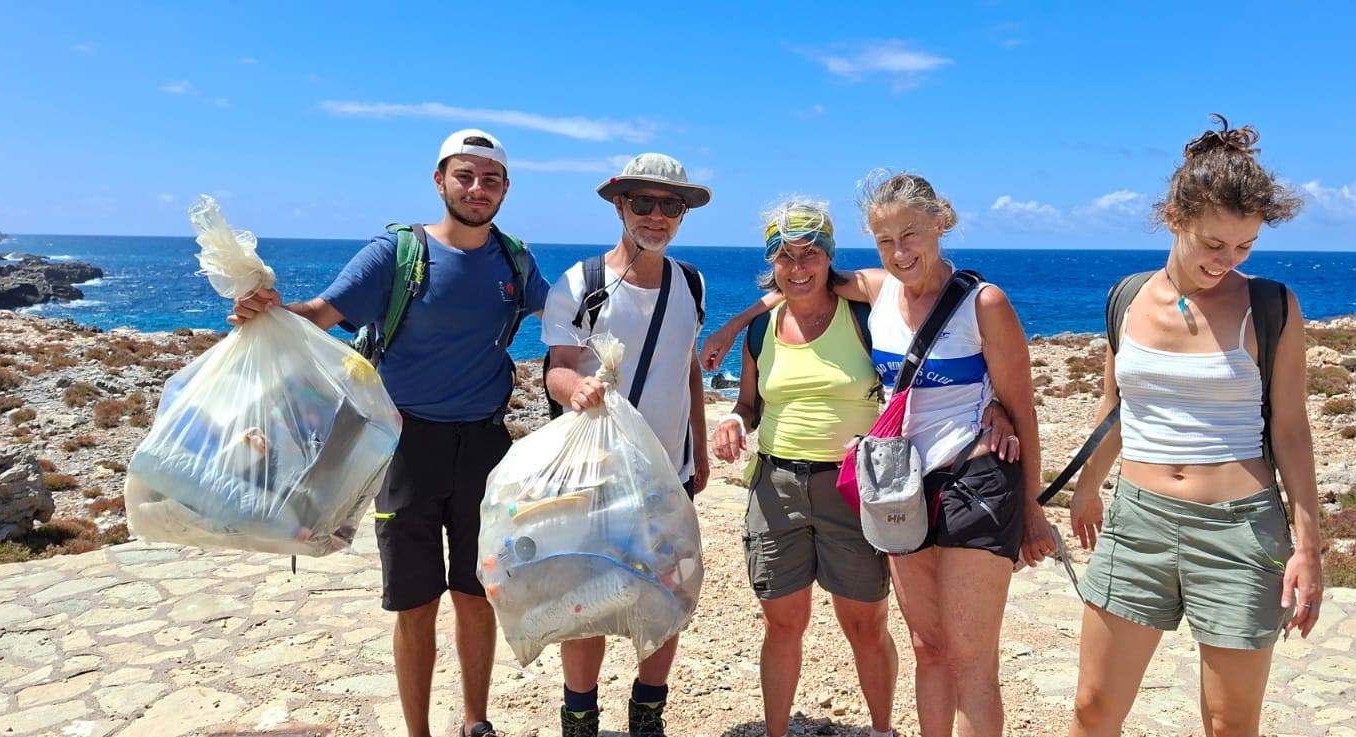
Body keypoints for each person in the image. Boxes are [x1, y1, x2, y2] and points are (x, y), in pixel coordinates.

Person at [704, 172, 1056, 737]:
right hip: (903, 486)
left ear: (941, 224)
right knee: (928, 645)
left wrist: (1033, 511)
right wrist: (734, 324)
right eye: (886, 240)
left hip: (975, 482)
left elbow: (1025, 410)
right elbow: (797, 281)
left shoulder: (982, 302)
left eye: (911, 235)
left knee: (971, 661)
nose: (900, 252)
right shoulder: (877, 290)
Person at [231, 129, 546, 737]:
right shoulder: (395, 253)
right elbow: (321, 316)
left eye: (491, 179)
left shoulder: (515, 261)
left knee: (480, 593)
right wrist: (267, 312)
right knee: (414, 601)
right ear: (440, 180)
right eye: (466, 175)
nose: (478, 188)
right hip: (405, 448)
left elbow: (565, 314)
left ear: (506, 189)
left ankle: (475, 721)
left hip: (485, 447)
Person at [1064, 116, 1321, 737]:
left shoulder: (1272, 306)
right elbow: (1114, 407)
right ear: (1175, 217)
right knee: (1093, 710)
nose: (1226, 261)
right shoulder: (1125, 298)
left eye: (1244, 247)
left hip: (1240, 533)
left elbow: (1291, 431)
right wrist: (1086, 487)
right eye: (1214, 244)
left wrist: (1309, 546)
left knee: (1229, 723)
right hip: (1137, 521)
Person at [710, 198, 901, 737]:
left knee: (865, 623)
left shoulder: (867, 317)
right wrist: (732, 420)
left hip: (852, 488)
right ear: (771, 264)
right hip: (776, 487)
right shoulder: (761, 331)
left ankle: (882, 730)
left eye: (810, 254)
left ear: (829, 258)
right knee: (783, 623)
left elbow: (905, 370)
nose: (797, 268)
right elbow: (750, 405)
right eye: (784, 257)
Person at [541, 153, 711, 737]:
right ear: (620, 206)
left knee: (665, 596)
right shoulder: (581, 283)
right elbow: (556, 369)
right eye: (644, 203)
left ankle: (647, 715)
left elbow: (687, 363)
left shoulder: (691, 281)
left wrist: (702, 450)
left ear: (682, 215)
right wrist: (577, 389)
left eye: (671, 205)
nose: (657, 216)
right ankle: (580, 717)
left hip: (670, 470)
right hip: (597, 474)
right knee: (586, 602)